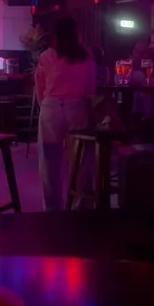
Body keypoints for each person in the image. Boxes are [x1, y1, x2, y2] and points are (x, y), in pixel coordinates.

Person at [35, 16, 96, 211]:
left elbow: (40, 89)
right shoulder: (86, 57)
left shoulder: (47, 56)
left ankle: (52, 210)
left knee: (49, 161)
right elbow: (91, 90)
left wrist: (45, 106)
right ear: (76, 33)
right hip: (76, 108)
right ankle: (80, 207)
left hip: (51, 109)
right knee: (79, 162)